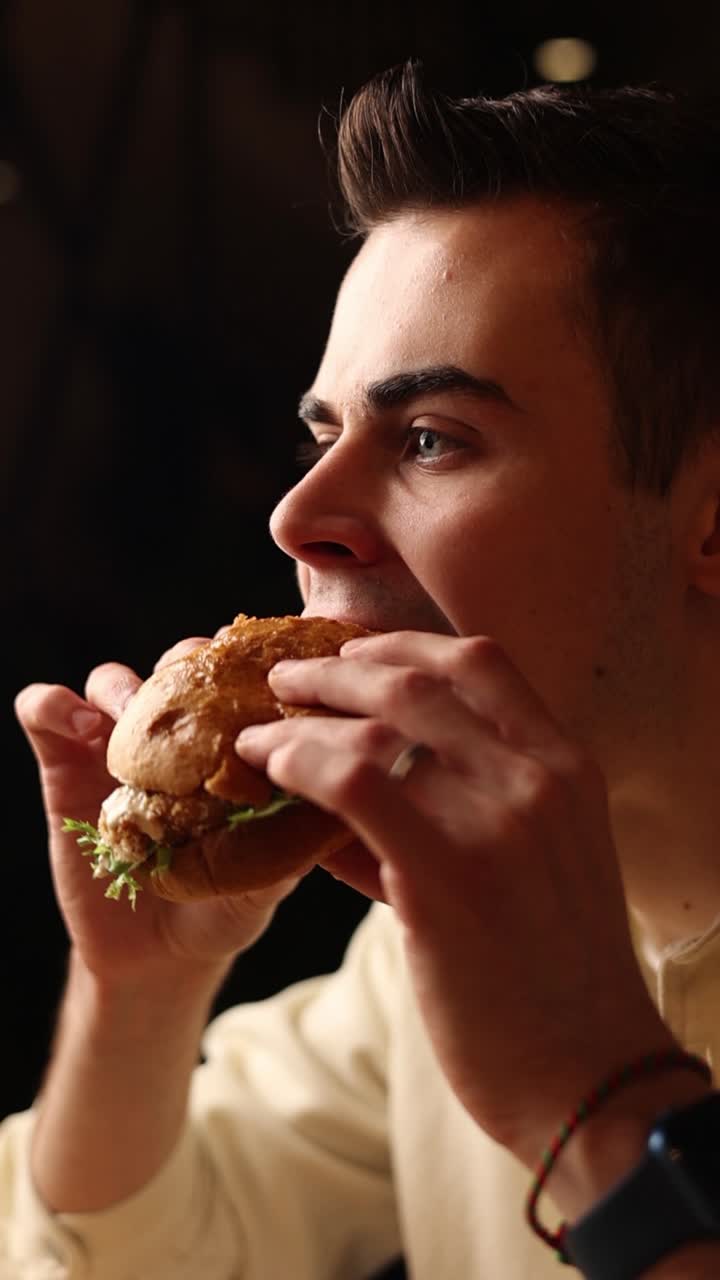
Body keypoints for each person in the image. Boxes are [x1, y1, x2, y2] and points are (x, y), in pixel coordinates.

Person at [4, 59, 720, 1279]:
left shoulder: (493, 946)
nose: (293, 515)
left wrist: (597, 1100)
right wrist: (139, 996)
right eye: (323, 434)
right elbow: (124, 1256)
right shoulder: (430, 939)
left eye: (433, 437)